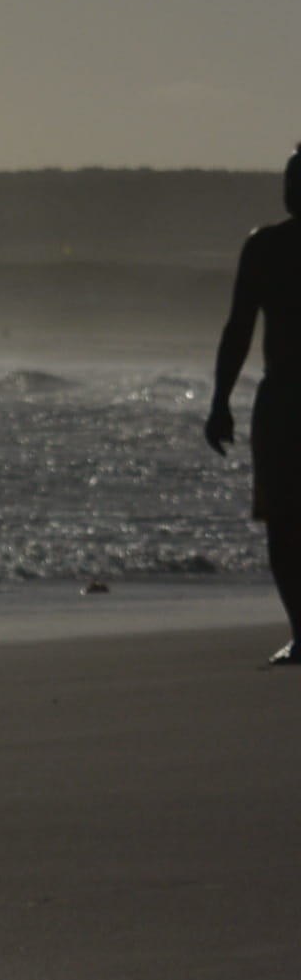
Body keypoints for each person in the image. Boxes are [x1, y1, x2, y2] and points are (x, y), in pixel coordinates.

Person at [202, 147, 301, 664]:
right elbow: (238, 328)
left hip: (285, 398)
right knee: (283, 519)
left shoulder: (266, 247)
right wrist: (219, 402)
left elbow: (239, 328)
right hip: (281, 396)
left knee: (287, 521)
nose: (291, 188)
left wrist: (221, 402)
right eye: (290, 178)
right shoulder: (265, 247)